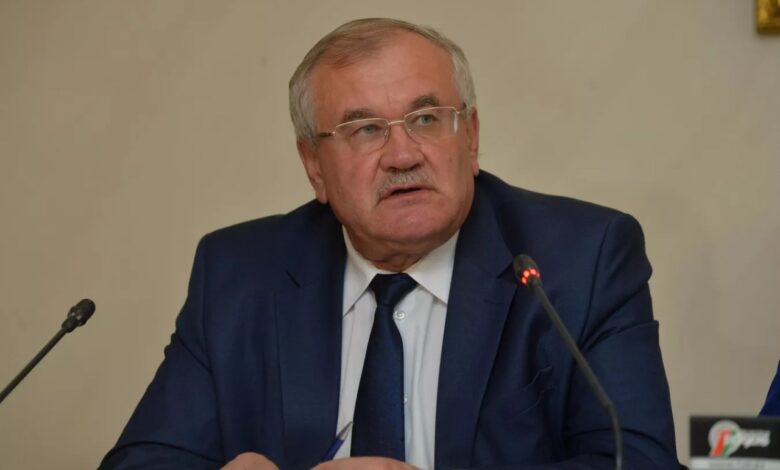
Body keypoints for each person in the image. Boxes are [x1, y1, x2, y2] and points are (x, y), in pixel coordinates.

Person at [100, 18, 678, 469]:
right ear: (314, 166)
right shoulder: (239, 275)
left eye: (426, 119)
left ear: (471, 138)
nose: (402, 155)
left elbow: (635, 461)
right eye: (365, 130)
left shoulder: (583, 258)